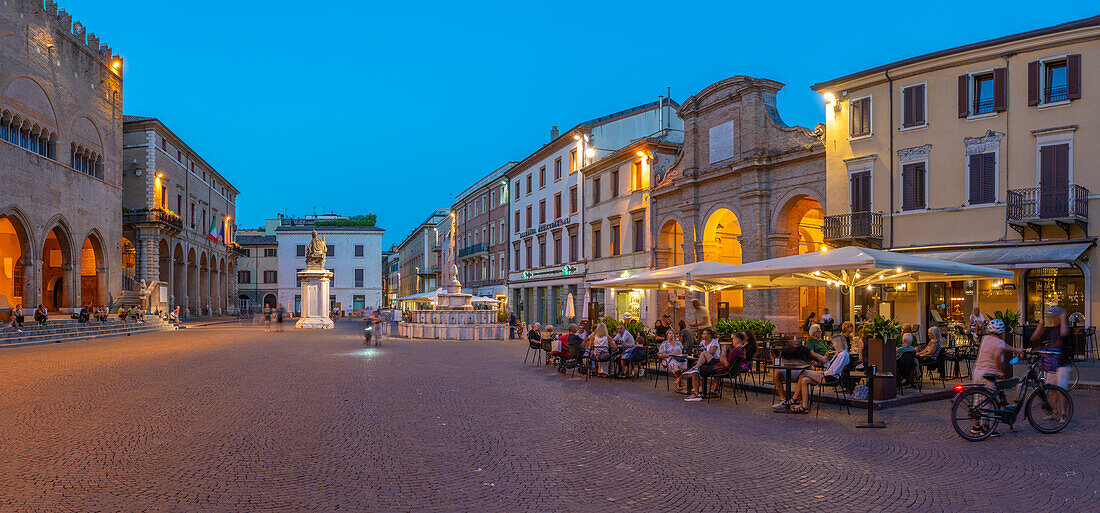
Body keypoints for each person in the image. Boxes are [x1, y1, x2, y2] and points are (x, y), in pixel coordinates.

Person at [970, 318, 1023, 437]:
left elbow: (1004, 346)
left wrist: (1016, 350)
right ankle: (986, 428)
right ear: (1002, 331)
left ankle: (976, 426)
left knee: (977, 399)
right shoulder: (999, 342)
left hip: (978, 372)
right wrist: (999, 370)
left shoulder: (985, 338)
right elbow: (997, 355)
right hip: (989, 374)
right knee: (988, 402)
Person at [786, 334, 851, 413]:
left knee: (804, 372)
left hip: (831, 378)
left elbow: (834, 371)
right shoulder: (838, 353)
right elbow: (830, 367)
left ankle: (795, 398)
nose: (833, 345)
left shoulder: (843, 355)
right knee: (804, 380)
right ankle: (804, 406)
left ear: (838, 343)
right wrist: (825, 360)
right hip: (828, 375)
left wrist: (823, 372)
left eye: (834, 343)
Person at [683, 329, 746, 402]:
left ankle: (696, 394)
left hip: (721, 368)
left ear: (737, 339)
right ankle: (695, 368)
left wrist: (723, 352)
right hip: (724, 367)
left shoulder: (736, 350)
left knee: (698, 370)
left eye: (733, 339)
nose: (732, 341)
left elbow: (726, 364)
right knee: (704, 354)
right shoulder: (742, 350)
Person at [772, 336, 828, 409]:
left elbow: (810, 363)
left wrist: (800, 363)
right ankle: (783, 399)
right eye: (795, 338)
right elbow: (782, 361)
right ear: (791, 340)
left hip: (800, 371)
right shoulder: (786, 349)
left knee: (807, 372)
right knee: (776, 372)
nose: (797, 340)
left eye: (798, 338)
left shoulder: (805, 350)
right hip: (788, 369)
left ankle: (795, 399)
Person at [1031, 306, 1074, 392]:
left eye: (1055, 317)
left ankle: (1063, 406)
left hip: (1062, 363)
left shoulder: (1065, 327)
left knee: (1061, 391)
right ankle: (1053, 406)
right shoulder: (1050, 329)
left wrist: (1062, 319)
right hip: (1051, 364)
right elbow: (1034, 338)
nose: (1052, 319)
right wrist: (1040, 326)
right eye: (1051, 317)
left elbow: (1064, 333)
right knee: (1051, 390)